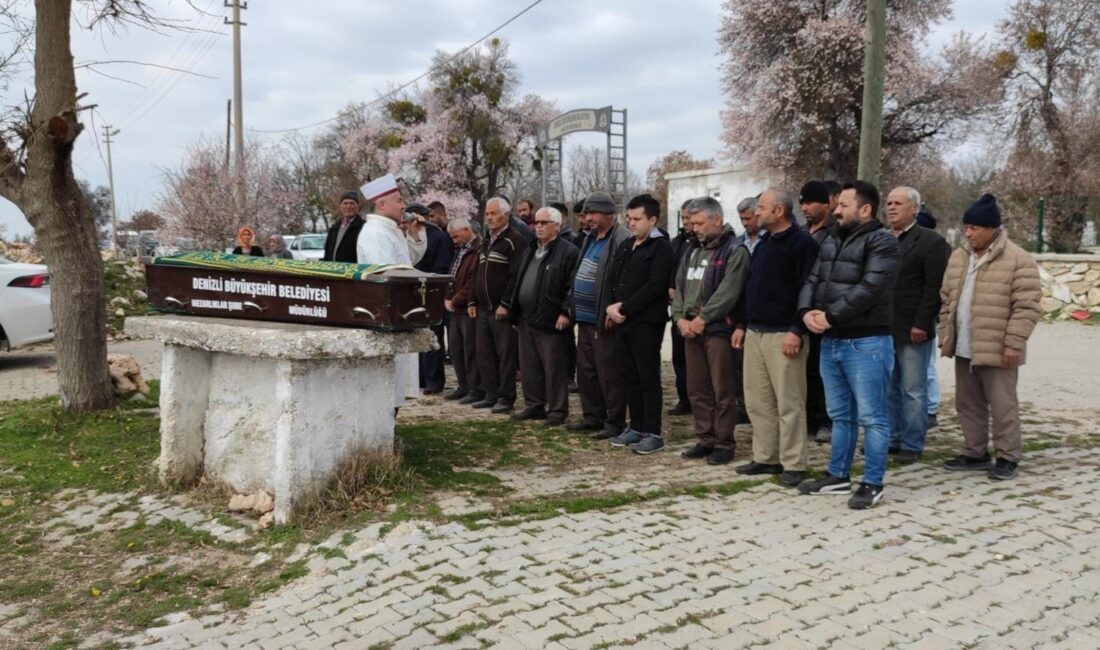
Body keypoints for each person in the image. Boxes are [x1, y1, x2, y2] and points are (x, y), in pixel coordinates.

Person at [796, 181, 899, 509]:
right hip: (832, 342)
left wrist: (831, 317)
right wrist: (806, 312)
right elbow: (813, 279)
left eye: (843, 205)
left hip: (866, 343)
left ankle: (872, 482)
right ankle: (838, 476)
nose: (836, 210)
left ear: (865, 209)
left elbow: (871, 287)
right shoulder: (830, 239)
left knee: (873, 417)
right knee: (840, 415)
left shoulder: (882, 242)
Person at [939, 194, 1041, 480]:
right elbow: (947, 297)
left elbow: (1027, 306)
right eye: (966, 227)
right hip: (963, 345)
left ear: (993, 228)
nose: (968, 233)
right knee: (967, 403)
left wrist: (1014, 343)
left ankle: (1008, 456)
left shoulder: (1019, 260)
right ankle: (975, 452)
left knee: (1002, 404)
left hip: (998, 348)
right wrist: (945, 331)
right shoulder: (960, 256)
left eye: (974, 228)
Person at [733, 189, 820, 487]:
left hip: (785, 333)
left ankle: (794, 463)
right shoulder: (765, 243)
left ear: (779, 211)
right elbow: (752, 287)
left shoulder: (802, 243)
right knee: (758, 401)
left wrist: (798, 329)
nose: (756, 213)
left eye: (761, 207)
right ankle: (766, 456)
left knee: (789, 401)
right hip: (756, 332)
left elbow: (808, 288)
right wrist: (742, 325)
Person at [671, 196, 749, 466]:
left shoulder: (734, 250)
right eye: (692, 223)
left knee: (722, 390)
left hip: (717, 330)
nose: (695, 229)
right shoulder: (692, 251)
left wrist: (703, 318)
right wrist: (679, 317)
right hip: (690, 329)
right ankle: (705, 438)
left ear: (717, 219)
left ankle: (724, 442)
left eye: (700, 223)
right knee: (697, 389)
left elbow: (729, 292)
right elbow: (679, 287)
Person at [604, 194, 675, 454]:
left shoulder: (661, 248)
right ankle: (636, 426)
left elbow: (654, 286)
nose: (631, 223)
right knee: (628, 375)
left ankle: (653, 432)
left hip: (646, 322)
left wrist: (625, 307)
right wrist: (611, 306)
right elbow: (615, 277)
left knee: (647, 376)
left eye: (637, 219)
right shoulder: (626, 245)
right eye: (629, 218)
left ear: (652, 220)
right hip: (623, 321)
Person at [884, 187, 950, 464]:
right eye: (888, 203)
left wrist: (922, 323)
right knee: (889, 387)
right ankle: (893, 437)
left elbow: (933, 287)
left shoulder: (931, 242)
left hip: (914, 328)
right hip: (886, 326)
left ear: (915, 208)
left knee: (913, 388)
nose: (891, 208)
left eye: (898, 203)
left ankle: (912, 442)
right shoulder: (884, 241)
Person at [566, 191, 630, 438]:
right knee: (586, 370)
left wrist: (613, 308)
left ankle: (614, 421)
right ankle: (592, 416)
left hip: (603, 318)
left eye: (592, 213)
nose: (587, 218)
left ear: (608, 214)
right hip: (584, 318)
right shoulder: (590, 238)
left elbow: (622, 279)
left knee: (609, 372)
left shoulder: (620, 238)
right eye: (586, 214)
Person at [355, 174, 420, 409]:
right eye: (398, 200)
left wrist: (414, 235)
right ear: (382, 204)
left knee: (397, 384)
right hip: (388, 314)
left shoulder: (389, 229)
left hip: (400, 312)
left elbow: (408, 263)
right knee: (387, 386)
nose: (404, 205)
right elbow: (387, 274)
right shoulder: (374, 233)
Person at [510, 206, 579, 426]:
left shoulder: (568, 251)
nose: (537, 227)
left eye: (543, 223)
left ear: (557, 226)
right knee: (529, 366)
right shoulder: (530, 249)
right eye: (536, 223)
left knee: (554, 367)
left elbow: (573, 285)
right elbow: (519, 279)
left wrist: (565, 311)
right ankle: (534, 405)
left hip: (552, 318)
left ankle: (557, 410)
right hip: (526, 316)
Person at [469, 197, 525, 414]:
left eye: (493, 213)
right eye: (487, 214)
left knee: (505, 356)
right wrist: (472, 300)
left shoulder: (514, 240)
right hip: (483, 308)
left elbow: (515, 276)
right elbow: (477, 274)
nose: (489, 218)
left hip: (501, 310)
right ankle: (491, 393)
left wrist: (506, 303)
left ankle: (506, 396)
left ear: (506, 215)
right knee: (484, 353)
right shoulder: (485, 241)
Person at [799, 180, 835, 444]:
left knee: (824, 370)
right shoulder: (801, 234)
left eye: (810, 202)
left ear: (826, 204)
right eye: (802, 203)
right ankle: (809, 418)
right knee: (806, 370)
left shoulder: (835, 234)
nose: (805, 208)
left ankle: (826, 420)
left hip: (824, 311)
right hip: (800, 311)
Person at [410, 203, 453, 395]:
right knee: (418, 336)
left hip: (431, 291)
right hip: (413, 292)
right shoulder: (411, 237)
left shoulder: (438, 237)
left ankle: (433, 379)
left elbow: (442, 267)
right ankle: (421, 377)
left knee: (432, 337)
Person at [443, 218, 482, 404]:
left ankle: (475, 388)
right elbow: (454, 274)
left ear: (467, 230)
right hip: (454, 308)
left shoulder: (477, 250)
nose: (454, 240)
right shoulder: (460, 250)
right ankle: (463, 385)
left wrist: (456, 299)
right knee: (456, 349)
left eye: (456, 236)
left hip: (467, 308)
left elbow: (472, 281)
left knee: (470, 349)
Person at [667, 200, 697, 417]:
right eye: (683, 218)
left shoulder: (700, 244)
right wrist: (669, 287)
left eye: (689, 218)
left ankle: (697, 399)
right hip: (677, 309)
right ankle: (683, 398)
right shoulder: (677, 242)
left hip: (695, 309)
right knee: (679, 358)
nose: (685, 222)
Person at [323, 190, 365, 263]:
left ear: (358, 206)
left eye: (352, 203)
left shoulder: (364, 228)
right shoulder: (334, 228)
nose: (348, 206)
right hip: (333, 271)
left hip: (353, 272)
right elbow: (327, 253)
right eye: (345, 203)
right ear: (340, 206)